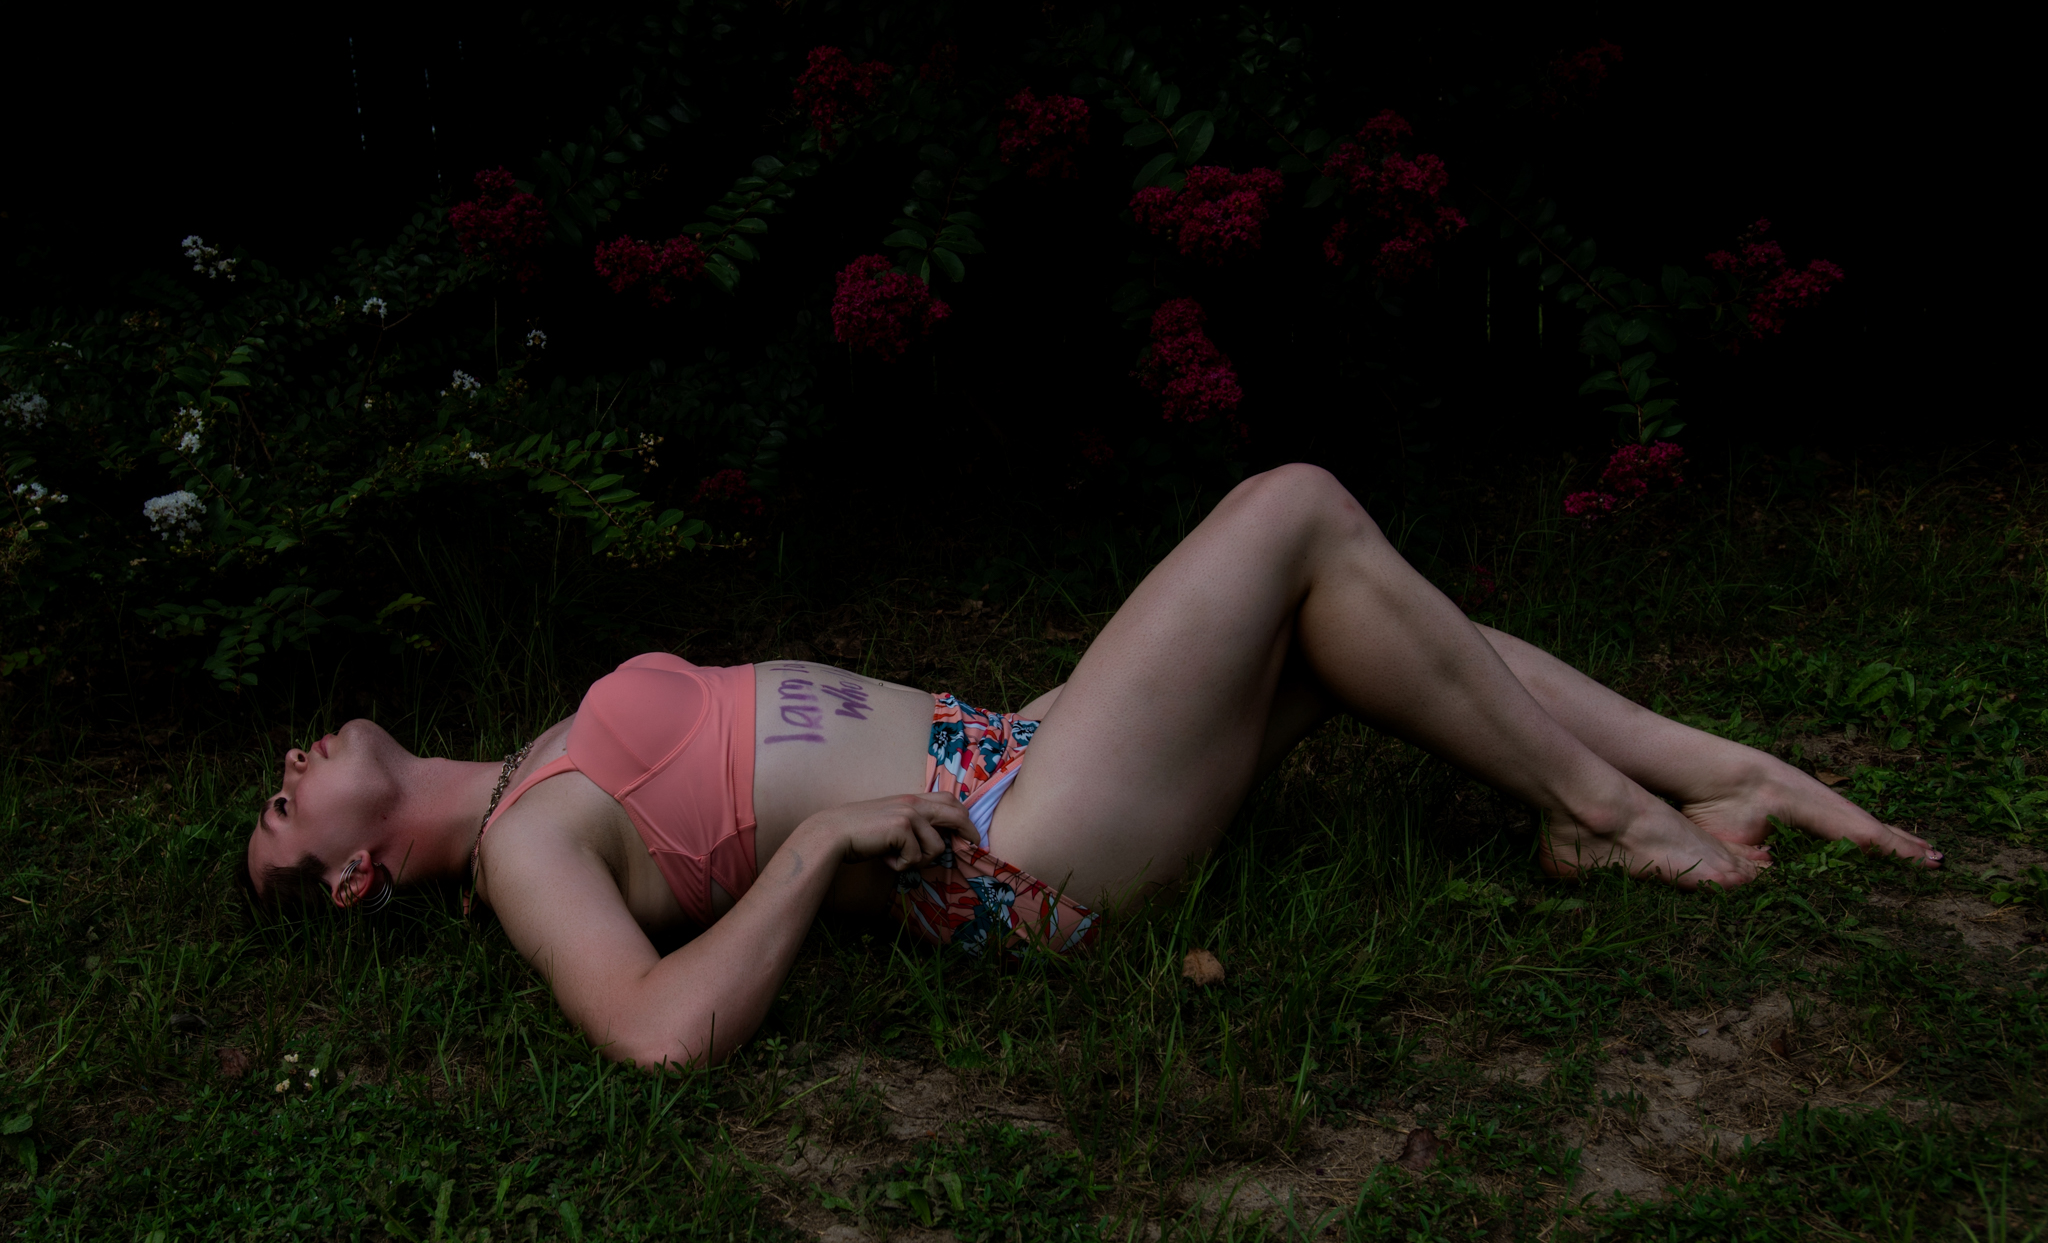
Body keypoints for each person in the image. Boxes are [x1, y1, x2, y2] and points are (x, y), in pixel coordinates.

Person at [244, 464, 1939, 1068]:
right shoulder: (524, 854)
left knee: (1362, 621)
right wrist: (822, 850)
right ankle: (1613, 818)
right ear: (349, 873)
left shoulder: (530, 766)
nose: (293, 763)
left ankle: (1733, 774)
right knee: (1292, 511)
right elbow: (656, 1035)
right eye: (279, 806)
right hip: (1010, 846)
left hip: (1016, 752)